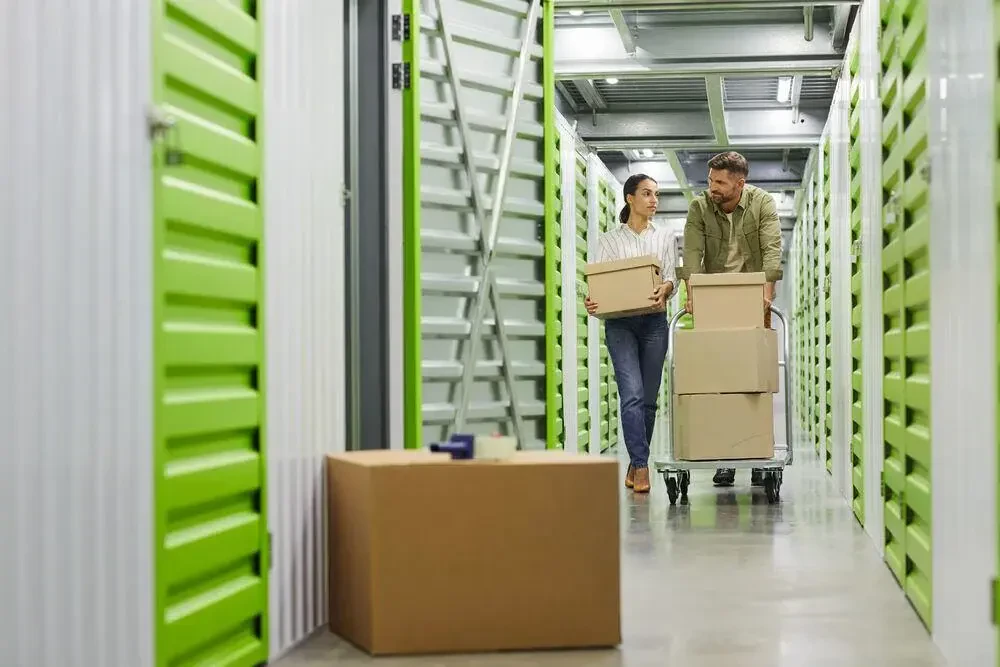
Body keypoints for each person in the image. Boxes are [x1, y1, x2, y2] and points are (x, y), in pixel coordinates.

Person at [677, 151, 783, 488]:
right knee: (718, 381)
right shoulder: (700, 207)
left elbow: (772, 249)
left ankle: (754, 451)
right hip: (714, 297)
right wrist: (692, 295)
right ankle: (725, 456)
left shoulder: (762, 203)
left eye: (720, 182)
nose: (712, 188)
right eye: (710, 180)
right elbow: (691, 254)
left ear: (740, 182)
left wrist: (768, 292)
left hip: (752, 295)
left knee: (754, 383)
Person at [585, 174, 676, 494]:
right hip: (621, 325)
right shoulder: (608, 241)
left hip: (654, 323)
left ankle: (637, 458)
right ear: (630, 199)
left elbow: (669, 279)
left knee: (649, 400)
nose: (654, 200)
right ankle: (640, 465)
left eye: (657, 195)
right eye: (647, 194)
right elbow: (597, 285)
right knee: (632, 394)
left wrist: (666, 288)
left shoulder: (665, 237)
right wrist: (592, 301)